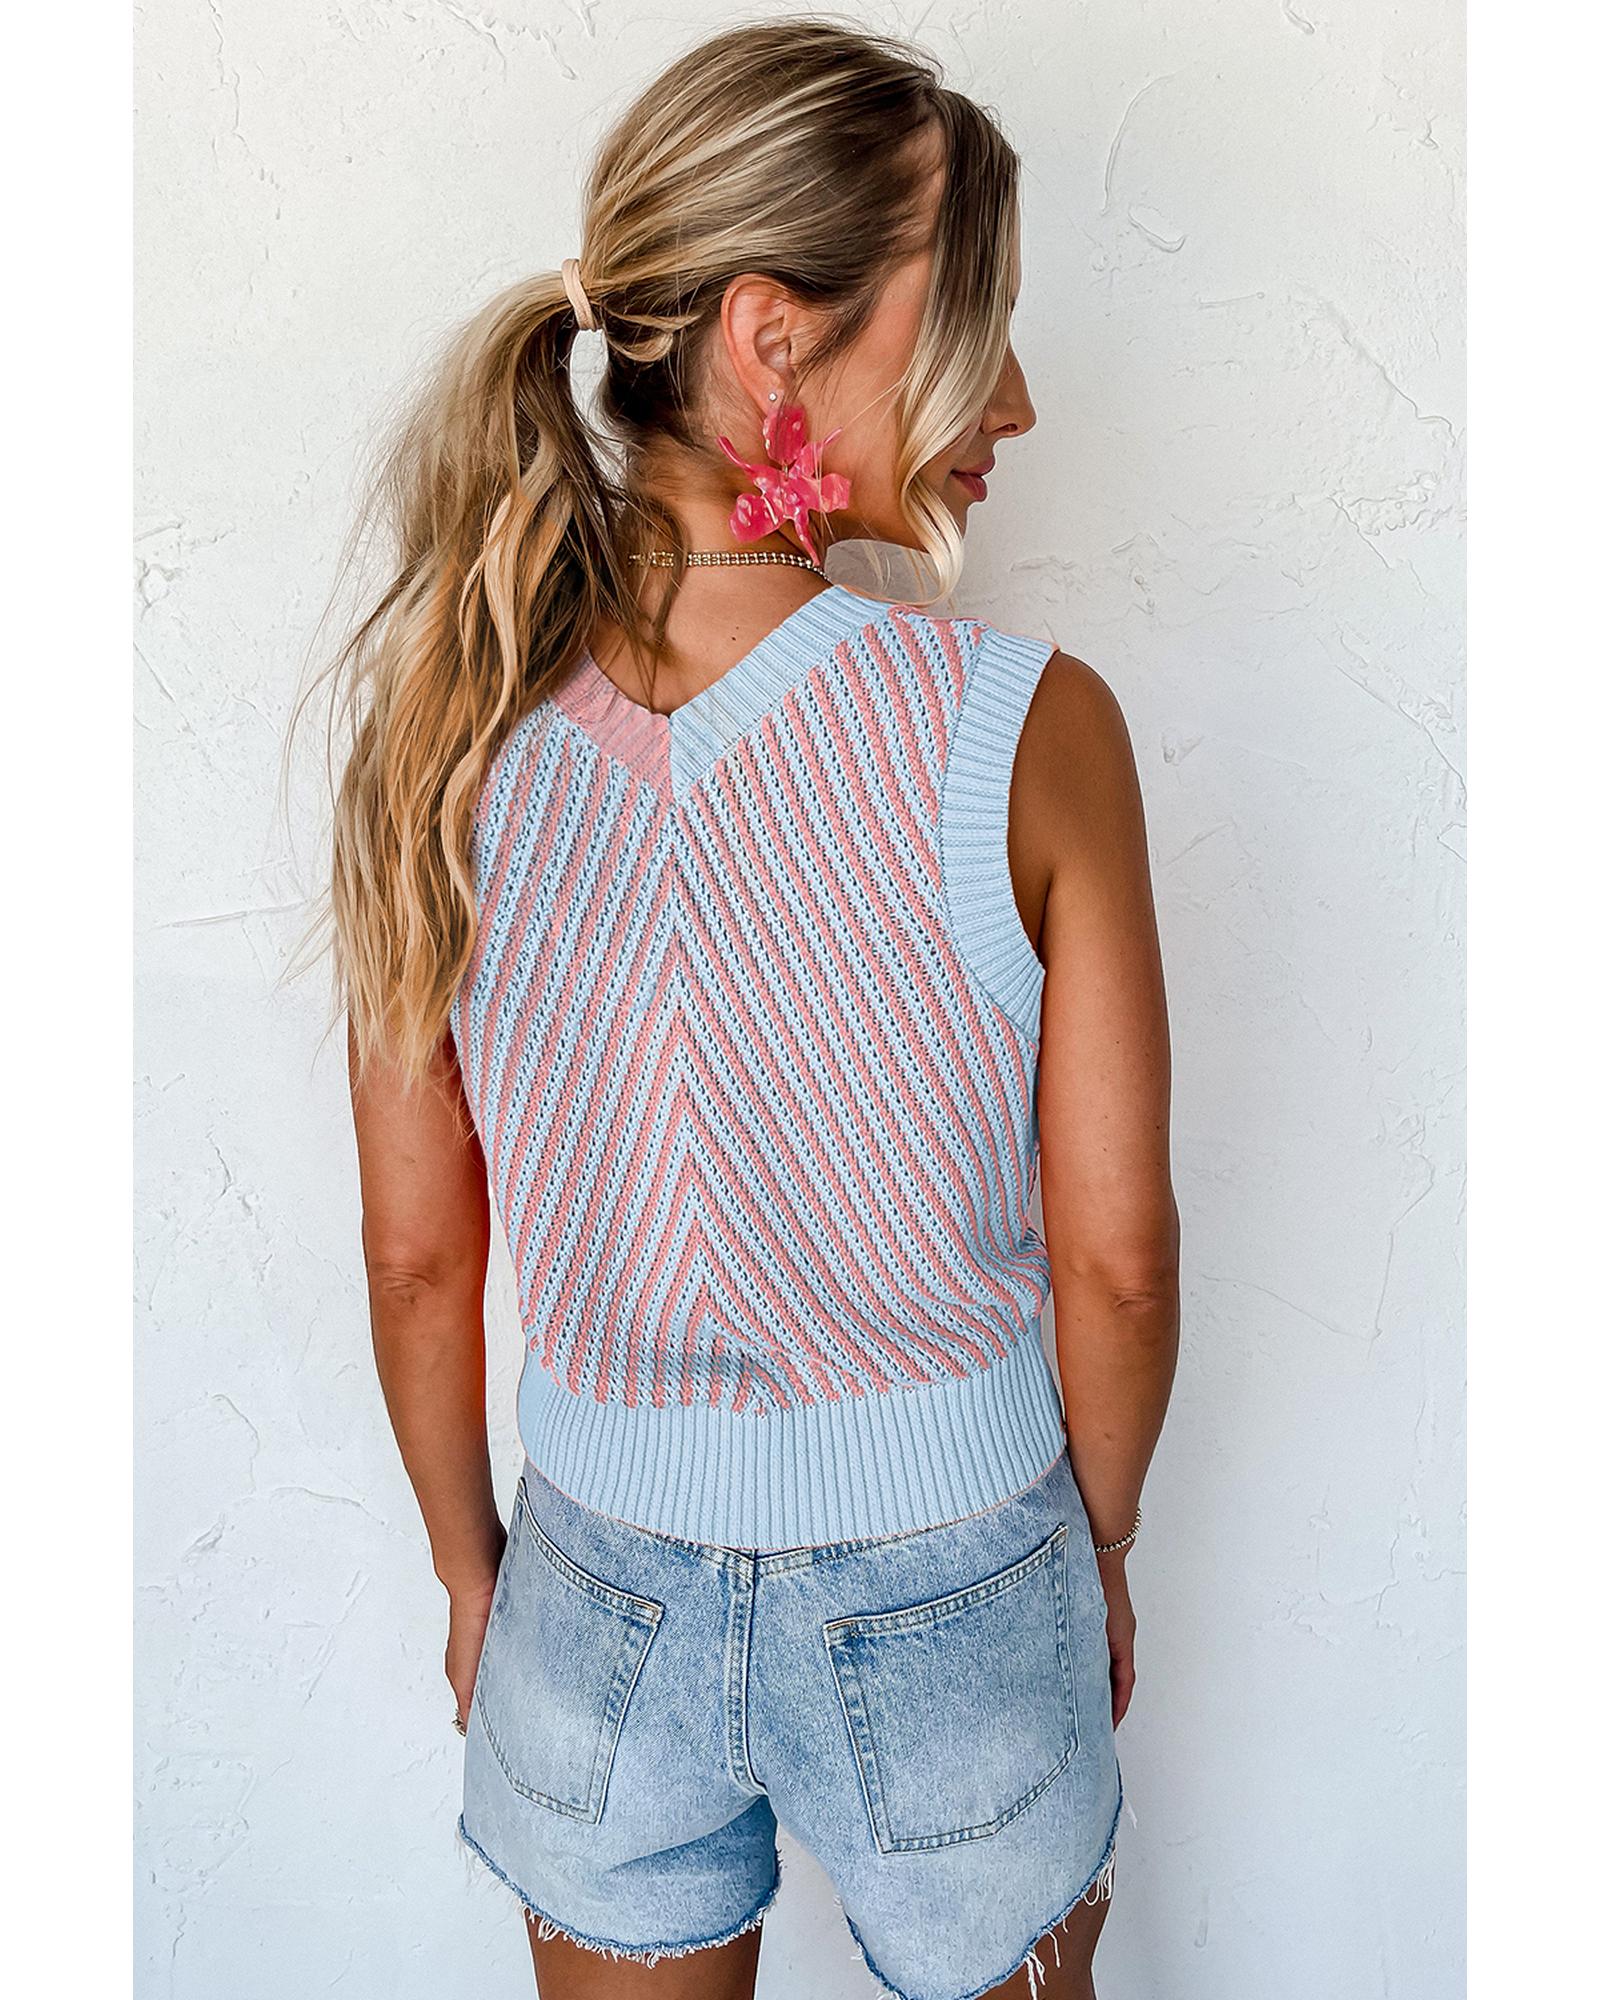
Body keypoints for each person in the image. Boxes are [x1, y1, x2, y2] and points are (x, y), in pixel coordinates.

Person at [307, 17, 1180, 2000]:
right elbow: (1114, 1262)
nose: (1016, 397)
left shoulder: (446, 737)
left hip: (591, 1579)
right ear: (772, 338)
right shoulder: (1026, 734)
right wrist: (1098, 1547)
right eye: (972, 325)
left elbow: (416, 1252)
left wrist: (470, 1567)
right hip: (964, 1571)